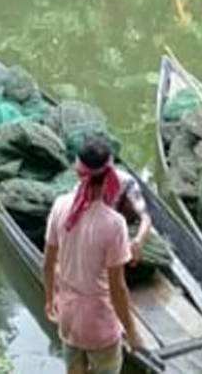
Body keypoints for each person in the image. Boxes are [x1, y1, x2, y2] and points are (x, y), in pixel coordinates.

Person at [44, 136, 144, 374]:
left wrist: (50, 299)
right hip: (100, 324)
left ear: (78, 172)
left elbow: (48, 263)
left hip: (68, 316)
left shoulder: (60, 206)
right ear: (109, 175)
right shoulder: (114, 224)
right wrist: (132, 333)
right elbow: (118, 288)